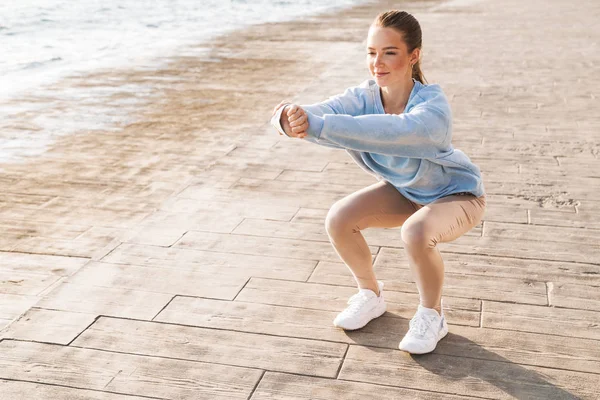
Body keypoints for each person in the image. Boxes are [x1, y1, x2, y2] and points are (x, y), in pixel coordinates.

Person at [270, 10, 485, 355]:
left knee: (415, 232)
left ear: (413, 56)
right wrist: (288, 117)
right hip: (408, 193)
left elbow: (388, 132)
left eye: (389, 52)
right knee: (339, 218)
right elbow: (317, 112)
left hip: (456, 195)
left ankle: (432, 315)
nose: (377, 62)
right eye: (371, 52)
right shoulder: (363, 97)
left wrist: (318, 126)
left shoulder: (432, 107)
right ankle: (370, 295)